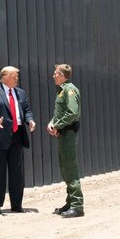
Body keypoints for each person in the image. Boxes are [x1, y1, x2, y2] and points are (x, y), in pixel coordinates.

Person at [0, 66, 36, 215]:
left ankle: (17, 205)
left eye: (17, 76)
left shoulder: (21, 93)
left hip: (17, 136)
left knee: (17, 173)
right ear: (4, 77)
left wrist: (30, 120)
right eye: (14, 76)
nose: (17, 79)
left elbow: (26, 111)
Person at [46, 63, 84, 218]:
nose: (53, 76)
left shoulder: (70, 90)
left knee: (70, 168)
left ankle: (77, 206)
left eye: (55, 73)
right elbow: (60, 112)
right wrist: (52, 122)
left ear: (62, 75)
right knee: (65, 168)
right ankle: (70, 203)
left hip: (68, 133)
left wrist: (57, 125)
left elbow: (72, 113)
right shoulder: (62, 90)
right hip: (63, 133)